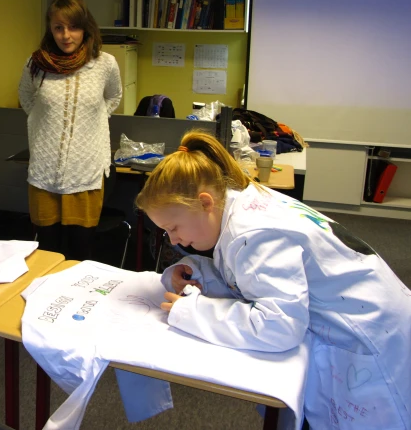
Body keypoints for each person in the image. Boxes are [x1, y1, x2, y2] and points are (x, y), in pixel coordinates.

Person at [136, 130, 411, 430]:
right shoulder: (241, 204)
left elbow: (279, 326)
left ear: (205, 203)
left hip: (369, 336)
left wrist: (192, 312)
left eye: (173, 227)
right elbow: (245, 274)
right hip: (376, 311)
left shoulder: (252, 233)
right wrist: (193, 271)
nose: (173, 240)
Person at [18, 0, 121, 260]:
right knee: (47, 251)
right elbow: (27, 98)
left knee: (80, 250)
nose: (66, 35)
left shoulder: (105, 64)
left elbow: (113, 96)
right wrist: (49, 119)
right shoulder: (36, 65)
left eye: (73, 27)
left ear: (85, 27)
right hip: (44, 171)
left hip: (85, 171)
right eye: (58, 27)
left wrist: (91, 119)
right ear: (50, 29)